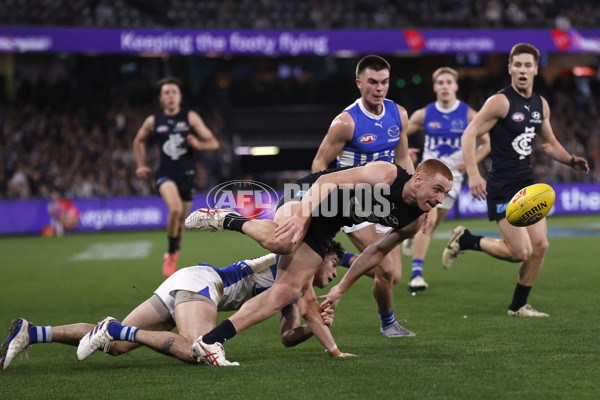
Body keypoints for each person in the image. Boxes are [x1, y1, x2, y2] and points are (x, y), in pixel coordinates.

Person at [184, 158, 453, 365]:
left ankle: (210, 342)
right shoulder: (387, 174)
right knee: (284, 241)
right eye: (437, 190)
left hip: (330, 222)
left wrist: (340, 289)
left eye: (445, 194)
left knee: (285, 292)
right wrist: (302, 217)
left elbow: (375, 253)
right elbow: (327, 182)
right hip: (310, 194)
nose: (440, 199)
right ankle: (224, 217)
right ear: (418, 180)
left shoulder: (414, 221)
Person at [0, 242, 352, 370]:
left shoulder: (291, 289)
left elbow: (288, 336)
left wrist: (308, 328)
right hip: (202, 285)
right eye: (334, 263)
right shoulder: (296, 264)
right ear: (320, 256)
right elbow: (307, 306)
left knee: (115, 348)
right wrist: (334, 351)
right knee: (197, 351)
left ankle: (32, 332)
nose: (333, 272)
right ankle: (114, 326)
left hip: (189, 282)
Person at [442, 43, 589, 317]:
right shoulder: (500, 102)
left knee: (541, 246)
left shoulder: (539, 104)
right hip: (502, 186)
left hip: (528, 185)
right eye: (517, 65)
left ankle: (518, 306)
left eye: (527, 65)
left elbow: (548, 144)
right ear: (510, 68)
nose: (522, 70)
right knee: (519, 252)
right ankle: (466, 240)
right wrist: (474, 174)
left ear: (535, 69)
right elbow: (468, 135)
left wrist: (570, 159)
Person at [311, 55, 415, 337]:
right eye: (372, 82)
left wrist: (415, 202)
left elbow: (403, 156)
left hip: (387, 200)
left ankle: (345, 258)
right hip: (354, 203)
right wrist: (334, 204)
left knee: (393, 276)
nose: (379, 88)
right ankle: (388, 324)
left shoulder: (399, 114)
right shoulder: (346, 122)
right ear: (359, 84)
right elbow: (319, 166)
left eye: (384, 82)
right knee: (384, 269)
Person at [403, 67, 490, 292]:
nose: (444, 86)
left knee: (430, 226)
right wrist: (403, 152)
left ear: (455, 86)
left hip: (454, 179)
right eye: (440, 82)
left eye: (448, 82)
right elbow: (400, 132)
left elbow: (486, 143)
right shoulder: (424, 113)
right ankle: (416, 275)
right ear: (435, 87)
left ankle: (411, 236)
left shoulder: (469, 114)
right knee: (428, 221)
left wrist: (471, 164)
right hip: (429, 176)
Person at [133, 77, 219, 278]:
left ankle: (174, 251)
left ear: (179, 97)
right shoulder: (154, 121)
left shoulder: (190, 118)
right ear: (161, 98)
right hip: (165, 175)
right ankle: (170, 254)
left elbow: (213, 143)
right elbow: (138, 141)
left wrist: (198, 144)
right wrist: (141, 165)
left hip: (187, 176)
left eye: (174, 92)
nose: (170, 96)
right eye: (166, 93)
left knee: (180, 221)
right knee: (175, 209)